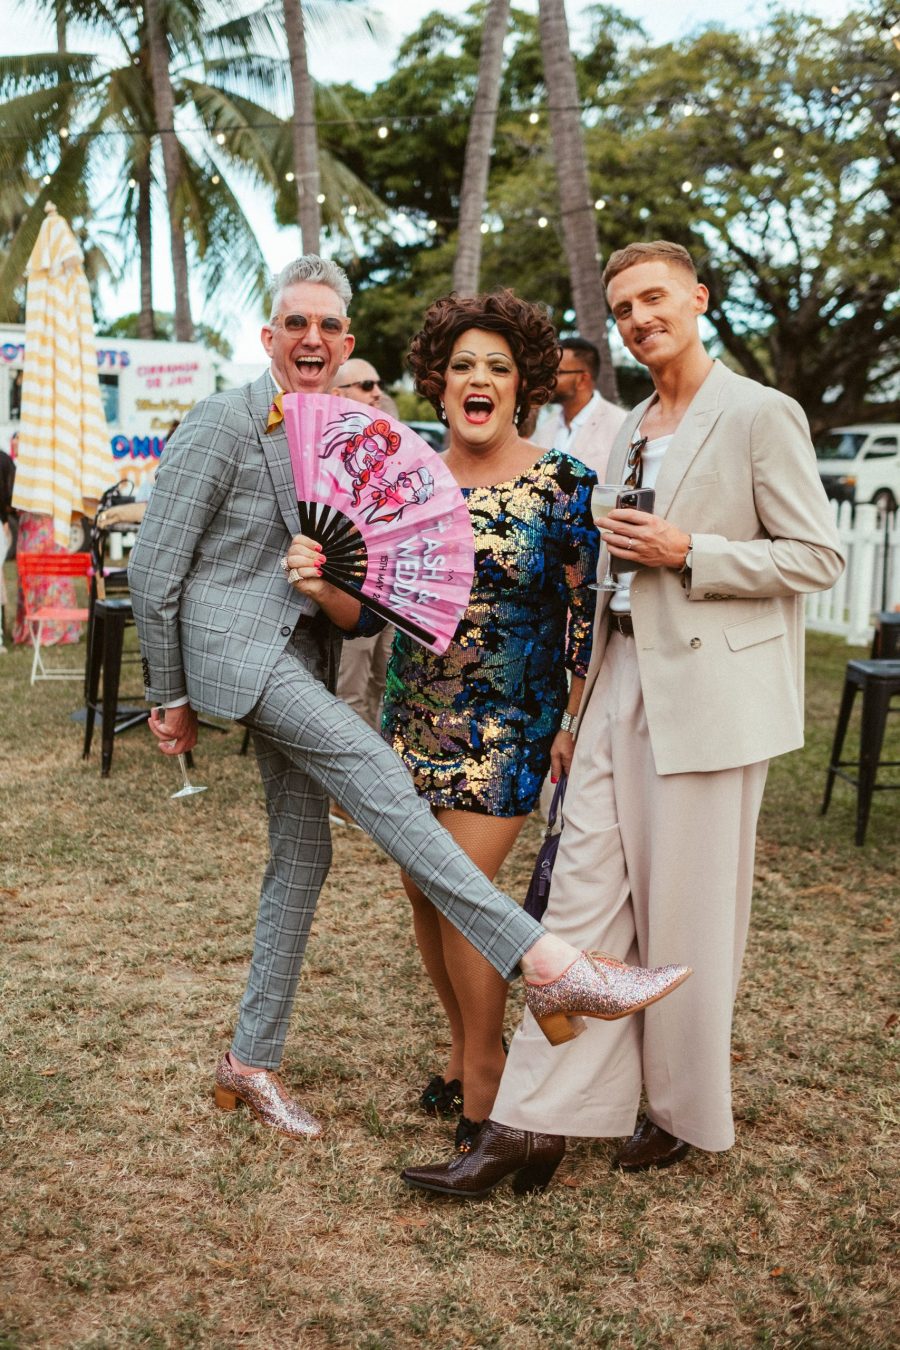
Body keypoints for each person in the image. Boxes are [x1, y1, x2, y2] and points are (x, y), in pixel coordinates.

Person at [128, 254, 691, 1145]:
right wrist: (169, 691)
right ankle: (547, 967)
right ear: (267, 335)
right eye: (295, 323)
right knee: (370, 774)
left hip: (464, 708)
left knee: (307, 858)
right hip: (250, 660)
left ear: (346, 343)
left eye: (329, 327)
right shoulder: (221, 421)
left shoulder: (352, 446)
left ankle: (248, 1060)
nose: (311, 338)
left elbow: (365, 614)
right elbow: (154, 568)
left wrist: (320, 587)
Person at [400, 239, 844, 1199]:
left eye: (656, 300)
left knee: (685, 913)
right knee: (579, 906)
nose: (642, 319)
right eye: (625, 308)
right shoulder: (633, 427)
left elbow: (818, 557)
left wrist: (694, 551)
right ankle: (532, 1126)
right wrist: (580, 699)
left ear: (697, 299)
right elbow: (598, 582)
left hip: (712, 698)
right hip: (616, 684)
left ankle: (677, 1111)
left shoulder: (762, 413)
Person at [378, 290, 601, 1150]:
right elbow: (375, 594)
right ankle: (462, 1045)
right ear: (437, 385)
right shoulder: (405, 479)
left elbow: (589, 619)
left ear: (524, 387)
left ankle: (487, 1081)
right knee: (424, 898)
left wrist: (573, 722)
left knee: (464, 897)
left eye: (498, 368)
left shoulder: (563, 484)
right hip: (410, 716)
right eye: (463, 365)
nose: (480, 379)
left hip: (508, 725)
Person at [327, 357, 395, 826]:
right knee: (349, 689)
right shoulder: (328, 451)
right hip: (349, 585)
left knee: (382, 681)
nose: (376, 391)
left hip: (390, 584)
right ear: (338, 393)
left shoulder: (387, 443)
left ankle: (377, 785)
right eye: (366, 384)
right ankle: (346, 798)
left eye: (378, 383)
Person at [533, 338, 626, 478]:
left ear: (582, 380)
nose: (548, 379)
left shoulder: (621, 426)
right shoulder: (545, 428)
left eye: (557, 372)